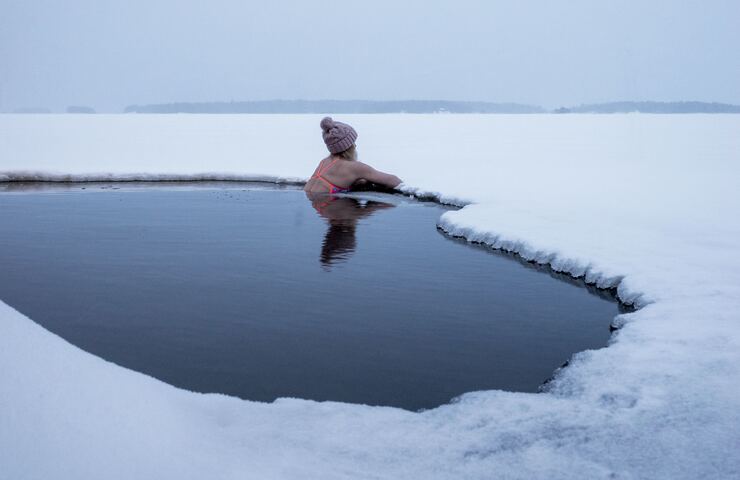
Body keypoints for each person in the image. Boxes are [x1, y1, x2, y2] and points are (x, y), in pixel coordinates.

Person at [304, 117, 402, 194]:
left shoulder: (324, 162)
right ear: (348, 146)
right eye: (353, 143)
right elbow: (394, 181)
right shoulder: (354, 167)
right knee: (373, 208)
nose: (355, 145)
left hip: (314, 205)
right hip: (330, 206)